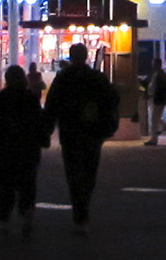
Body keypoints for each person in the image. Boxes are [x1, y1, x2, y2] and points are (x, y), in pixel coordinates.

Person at [42, 42, 120, 235]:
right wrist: (108, 125)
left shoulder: (64, 78)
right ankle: (83, 206)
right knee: (89, 170)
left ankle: (80, 211)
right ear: (86, 56)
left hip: (70, 132)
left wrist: (46, 130)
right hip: (92, 132)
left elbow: (52, 106)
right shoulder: (97, 77)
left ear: (71, 56)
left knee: (73, 171)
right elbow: (112, 100)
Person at [0, 65, 49, 237]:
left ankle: (4, 219)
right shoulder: (30, 99)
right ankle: (27, 212)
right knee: (27, 182)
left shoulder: (0, 98)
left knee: (4, 184)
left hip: (3, 148)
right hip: (27, 148)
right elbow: (39, 121)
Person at [142, 56, 166, 145]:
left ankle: (154, 139)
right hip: (153, 99)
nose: (153, 65)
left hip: (157, 100)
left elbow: (163, 88)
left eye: (154, 64)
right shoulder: (154, 74)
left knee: (154, 120)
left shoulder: (161, 75)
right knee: (156, 119)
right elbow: (147, 84)